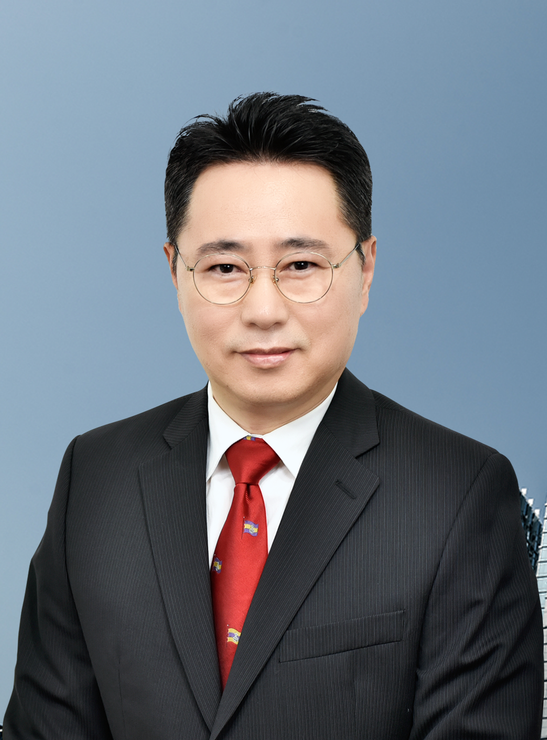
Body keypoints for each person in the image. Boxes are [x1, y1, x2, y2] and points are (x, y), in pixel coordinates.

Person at [4, 92, 542, 740]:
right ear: (175, 271)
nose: (263, 308)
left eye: (300, 266)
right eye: (225, 267)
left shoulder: (458, 492)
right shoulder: (95, 478)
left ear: (365, 269)